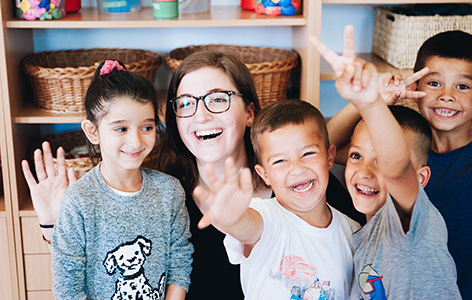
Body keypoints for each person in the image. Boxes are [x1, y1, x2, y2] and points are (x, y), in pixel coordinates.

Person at [22, 50, 356, 299]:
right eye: (185, 103)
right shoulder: (165, 194)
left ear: (250, 112)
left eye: (218, 99)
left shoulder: (301, 184)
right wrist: (54, 223)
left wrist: (363, 104)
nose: (201, 114)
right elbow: (102, 269)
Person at [311, 26, 461, 299]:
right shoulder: (365, 233)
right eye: (356, 156)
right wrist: (361, 103)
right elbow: (320, 153)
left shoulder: (410, 224)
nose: (364, 172)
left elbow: (398, 166)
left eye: (380, 162)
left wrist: (370, 104)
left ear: (420, 178)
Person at [47, 60, 193, 299]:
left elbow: (180, 260)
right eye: (121, 129)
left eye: (147, 128)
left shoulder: (169, 191)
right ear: (93, 132)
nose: (136, 142)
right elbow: (68, 285)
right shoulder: (78, 200)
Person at [194, 99, 360, 299]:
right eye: (280, 161)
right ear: (264, 175)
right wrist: (233, 218)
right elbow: (248, 227)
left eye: (308, 153)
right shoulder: (268, 217)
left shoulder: (352, 231)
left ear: (329, 157)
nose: (297, 168)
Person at [410, 30, 472, 300]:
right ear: (415, 89)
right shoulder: (401, 154)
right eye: (434, 83)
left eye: (462, 86)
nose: (447, 95)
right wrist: (369, 102)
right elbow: (330, 150)